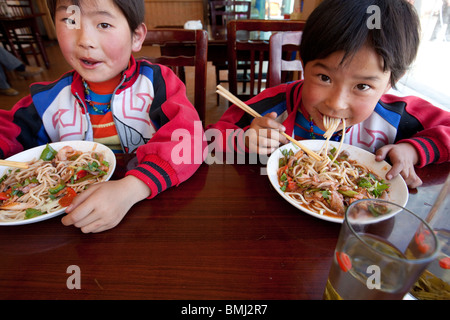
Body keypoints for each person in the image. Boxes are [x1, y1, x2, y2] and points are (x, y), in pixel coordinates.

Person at [0, 0, 205, 233]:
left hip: (151, 212)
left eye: (104, 24)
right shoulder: (47, 99)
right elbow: (6, 130)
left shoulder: (157, 83)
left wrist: (132, 188)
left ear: (136, 37)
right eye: (70, 21)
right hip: (67, 219)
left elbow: (190, 139)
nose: (85, 40)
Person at [208, 0, 450, 188]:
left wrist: (414, 150)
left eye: (362, 86)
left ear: (391, 82)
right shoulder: (276, 107)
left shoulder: (397, 115)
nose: (336, 103)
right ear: (304, 63)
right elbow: (211, 138)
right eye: (324, 78)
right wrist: (247, 140)